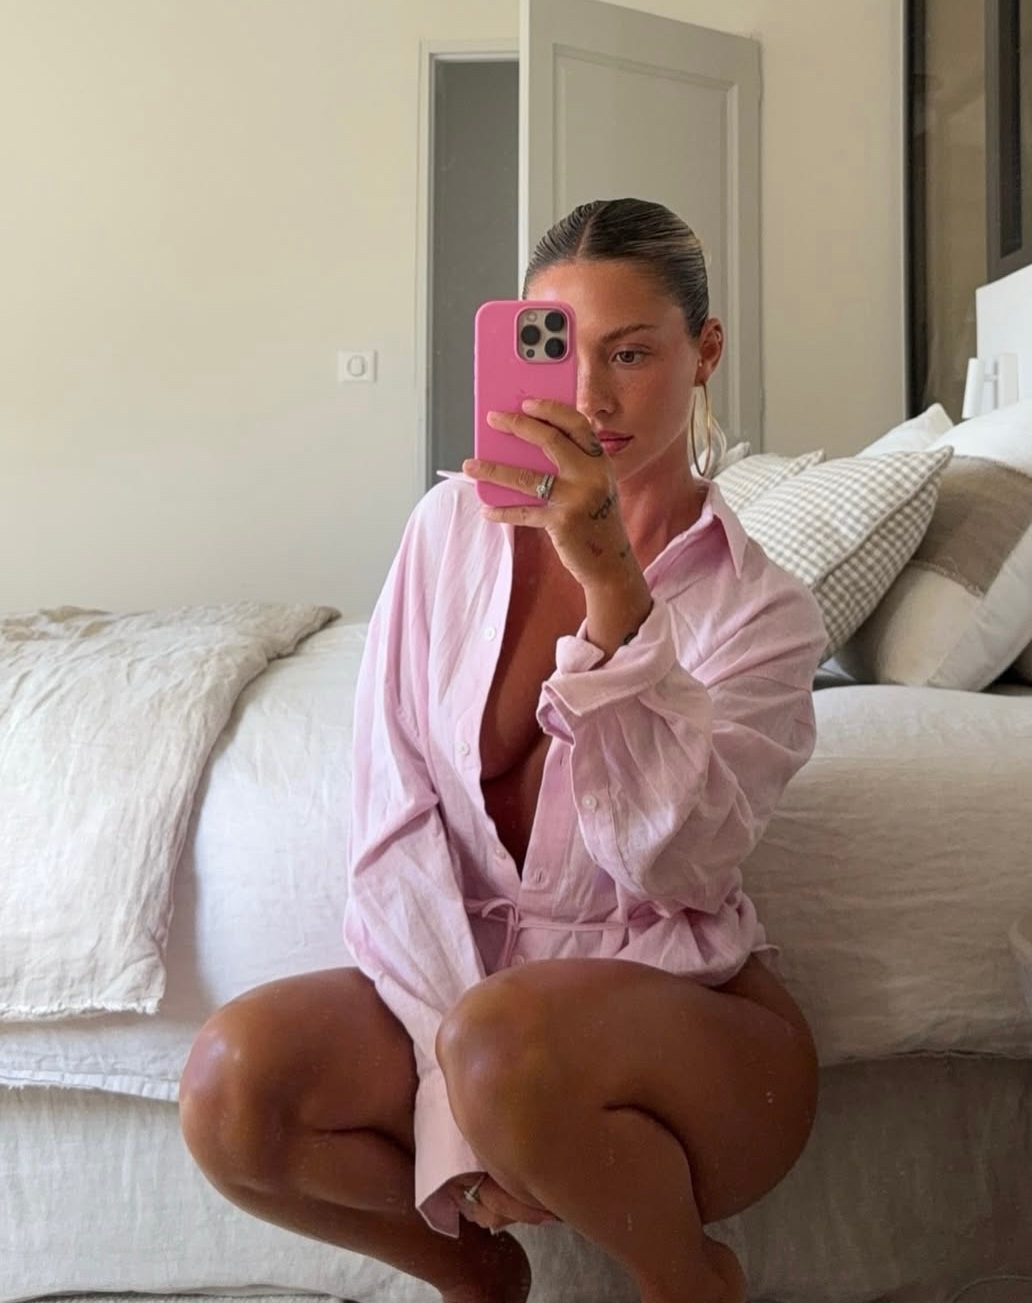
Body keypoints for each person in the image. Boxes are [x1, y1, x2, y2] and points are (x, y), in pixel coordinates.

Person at [179, 198, 827, 1303]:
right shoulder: (446, 534)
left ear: (706, 350)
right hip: (465, 1006)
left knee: (498, 1043)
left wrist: (615, 593)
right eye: (558, 350)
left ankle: (689, 1279)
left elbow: (678, 864)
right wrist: (458, 1105)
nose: (591, 396)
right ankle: (476, 1278)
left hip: (687, 1031)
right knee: (230, 1087)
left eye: (632, 354)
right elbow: (391, 820)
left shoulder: (762, 610)